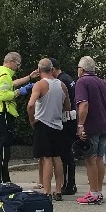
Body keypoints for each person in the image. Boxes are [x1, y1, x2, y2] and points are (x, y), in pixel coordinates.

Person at [0, 52, 38, 186]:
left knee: (2, 148)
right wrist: (20, 92)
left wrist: (28, 78)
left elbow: (11, 83)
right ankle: (0, 182)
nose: (18, 67)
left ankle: (4, 180)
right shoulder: (4, 75)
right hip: (2, 113)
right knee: (3, 150)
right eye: (17, 64)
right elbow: (4, 95)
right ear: (11, 61)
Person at [73, 56, 106, 205]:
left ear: (82, 69)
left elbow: (83, 104)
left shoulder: (82, 82)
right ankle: (98, 192)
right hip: (105, 126)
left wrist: (80, 125)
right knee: (99, 159)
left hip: (91, 126)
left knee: (90, 159)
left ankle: (93, 193)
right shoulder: (103, 83)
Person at [27, 58, 71, 200]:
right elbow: (68, 106)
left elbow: (30, 104)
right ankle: (58, 190)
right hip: (57, 124)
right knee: (57, 157)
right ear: (52, 69)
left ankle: (46, 191)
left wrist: (32, 120)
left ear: (39, 70)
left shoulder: (40, 84)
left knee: (46, 158)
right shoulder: (62, 85)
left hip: (43, 123)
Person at [50, 58, 78, 196]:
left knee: (65, 153)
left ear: (53, 69)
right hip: (71, 118)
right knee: (67, 153)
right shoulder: (67, 78)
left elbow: (63, 102)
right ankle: (69, 183)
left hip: (66, 120)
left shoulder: (62, 81)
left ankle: (68, 185)